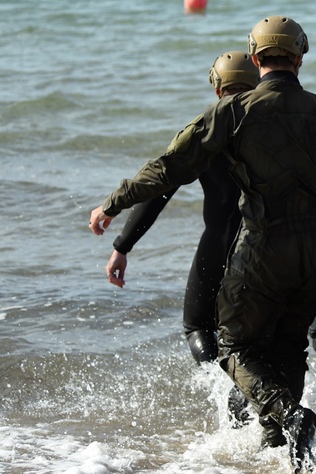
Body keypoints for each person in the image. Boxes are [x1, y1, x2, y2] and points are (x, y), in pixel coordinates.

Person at [89, 16, 316, 473]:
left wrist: (113, 204)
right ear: (300, 56)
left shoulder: (232, 112)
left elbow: (167, 169)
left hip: (262, 250)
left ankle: (291, 418)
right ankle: (280, 449)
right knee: (290, 347)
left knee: (235, 348)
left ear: (257, 58)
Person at [103, 51, 260, 364]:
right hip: (272, 243)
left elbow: (160, 188)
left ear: (217, 90)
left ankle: (226, 387)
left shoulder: (205, 133)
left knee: (198, 326)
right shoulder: (277, 131)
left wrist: (123, 246)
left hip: (220, 244)